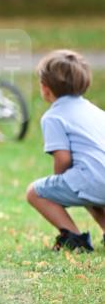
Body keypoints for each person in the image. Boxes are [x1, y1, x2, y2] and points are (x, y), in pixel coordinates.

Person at [26, 50, 105, 253]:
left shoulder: (53, 117)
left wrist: (58, 184)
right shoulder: (95, 111)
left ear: (45, 88)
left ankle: (75, 239)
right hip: (99, 177)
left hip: (91, 179)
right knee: (89, 190)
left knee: (35, 192)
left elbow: (63, 158)